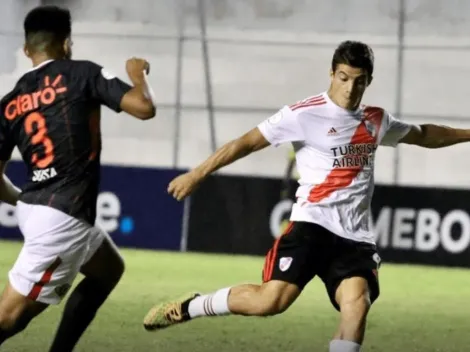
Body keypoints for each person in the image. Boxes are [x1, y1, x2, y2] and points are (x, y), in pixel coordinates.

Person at [143, 40, 470, 351]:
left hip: (355, 237)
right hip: (311, 225)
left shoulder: (376, 120)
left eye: (359, 81)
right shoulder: (303, 113)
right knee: (270, 302)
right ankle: (192, 306)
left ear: (369, 81)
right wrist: (198, 173)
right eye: (343, 78)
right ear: (331, 74)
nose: (349, 88)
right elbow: (245, 143)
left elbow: (424, 135)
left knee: (357, 305)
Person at [0, 5, 156, 352]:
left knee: (107, 270)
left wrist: (23, 198)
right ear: (67, 43)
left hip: (45, 211)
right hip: (64, 217)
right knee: (6, 321)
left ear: (27, 50)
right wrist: (138, 75)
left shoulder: (10, 102)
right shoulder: (82, 74)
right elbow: (144, 108)